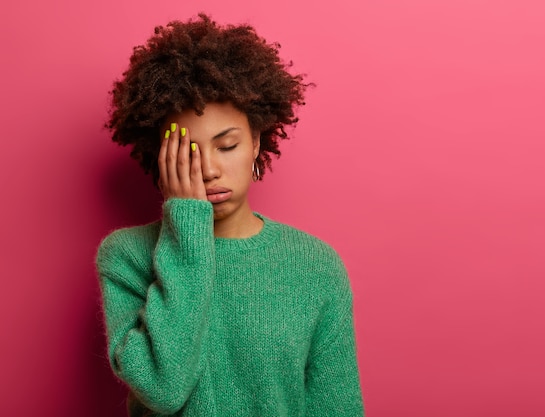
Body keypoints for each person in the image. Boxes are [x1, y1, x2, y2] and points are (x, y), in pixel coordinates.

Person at [96, 13, 364, 416]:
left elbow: (336, 408)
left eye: (227, 146)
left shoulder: (316, 266)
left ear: (256, 142)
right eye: (188, 153)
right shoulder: (127, 257)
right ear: (160, 158)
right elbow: (163, 389)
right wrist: (186, 223)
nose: (208, 170)